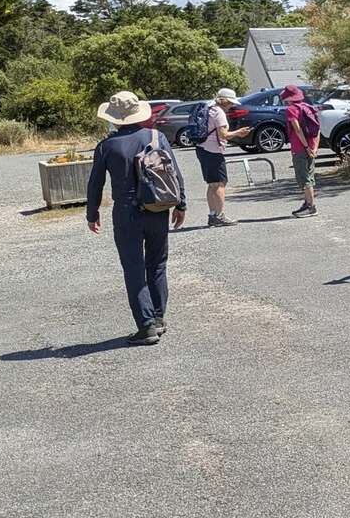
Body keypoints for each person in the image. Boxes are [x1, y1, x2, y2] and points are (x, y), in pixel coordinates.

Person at [86, 91, 187, 345]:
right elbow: (174, 172)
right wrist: (181, 204)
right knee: (157, 264)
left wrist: (92, 213)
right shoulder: (156, 136)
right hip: (157, 207)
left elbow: (95, 183)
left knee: (133, 268)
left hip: (126, 212)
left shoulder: (106, 146)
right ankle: (159, 317)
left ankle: (147, 325)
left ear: (114, 118)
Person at [197, 87, 251, 227]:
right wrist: (238, 132)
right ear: (225, 101)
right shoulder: (219, 112)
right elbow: (224, 135)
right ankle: (219, 215)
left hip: (202, 148)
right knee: (220, 183)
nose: (232, 106)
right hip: (213, 150)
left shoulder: (209, 107)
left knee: (212, 184)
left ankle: (212, 214)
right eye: (231, 103)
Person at [282, 84, 320, 217]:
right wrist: (314, 148)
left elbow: (297, 130)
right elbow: (317, 129)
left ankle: (311, 207)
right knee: (309, 176)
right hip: (311, 147)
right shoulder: (309, 107)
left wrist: (305, 147)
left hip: (300, 148)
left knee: (304, 179)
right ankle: (307, 203)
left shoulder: (291, 109)